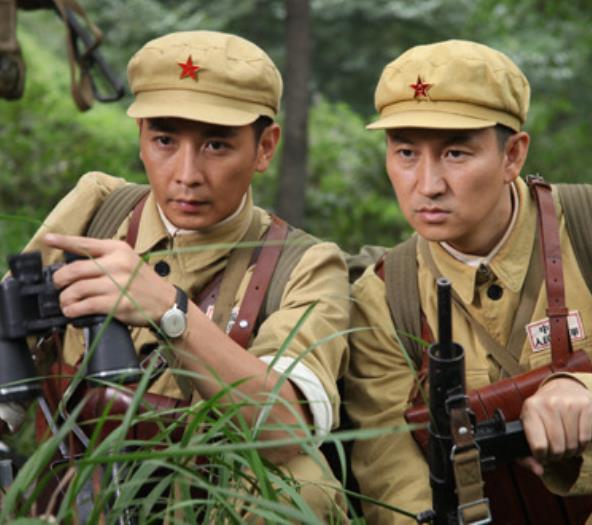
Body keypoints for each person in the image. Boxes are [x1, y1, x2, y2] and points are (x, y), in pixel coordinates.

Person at [344, 39, 592, 524]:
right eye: (406, 152)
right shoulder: (385, 298)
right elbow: (393, 477)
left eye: (455, 153)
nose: (427, 185)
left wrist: (585, 395)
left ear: (512, 155)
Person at [0, 30, 349, 521]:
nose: (186, 174)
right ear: (140, 136)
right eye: (164, 140)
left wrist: (171, 313)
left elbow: (283, 429)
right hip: (78, 499)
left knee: (303, 487)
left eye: (216, 145)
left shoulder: (304, 265)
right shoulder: (98, 209)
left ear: (265, 147)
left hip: (213, 509)